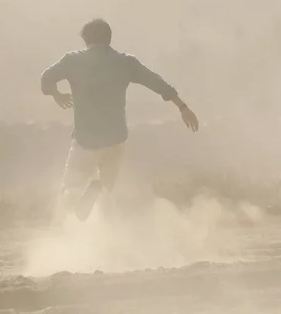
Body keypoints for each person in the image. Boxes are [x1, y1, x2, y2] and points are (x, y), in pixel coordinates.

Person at [40, 18, 199, 222]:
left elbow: (45, 79)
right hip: (116, 140)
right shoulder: (125, 62)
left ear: (85, 39)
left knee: (69, 192)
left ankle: (85, 201)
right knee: (106, 189)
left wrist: (56, 94)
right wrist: (182, 107)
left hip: (85, 140)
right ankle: (98, 191)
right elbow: (156, 82)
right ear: (109, 38)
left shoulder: (72, 61)